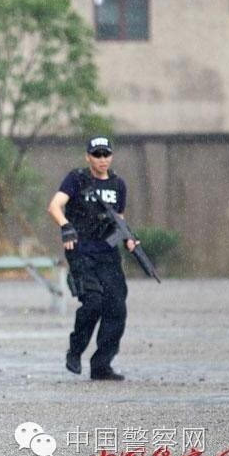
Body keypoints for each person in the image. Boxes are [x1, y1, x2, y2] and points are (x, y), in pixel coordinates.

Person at [47, 136, 137, 381]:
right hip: (81, 252)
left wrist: (129, 238)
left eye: (106, 154)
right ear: (88, 157)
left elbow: (119, 218)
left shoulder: (118, 185)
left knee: (116, 307)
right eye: (97, 155)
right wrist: (66, 226)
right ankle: (75, 351)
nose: (102, 159)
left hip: (107, 253)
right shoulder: (76, 179)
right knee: (93, 302)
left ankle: (102, 365)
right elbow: (55, 206)